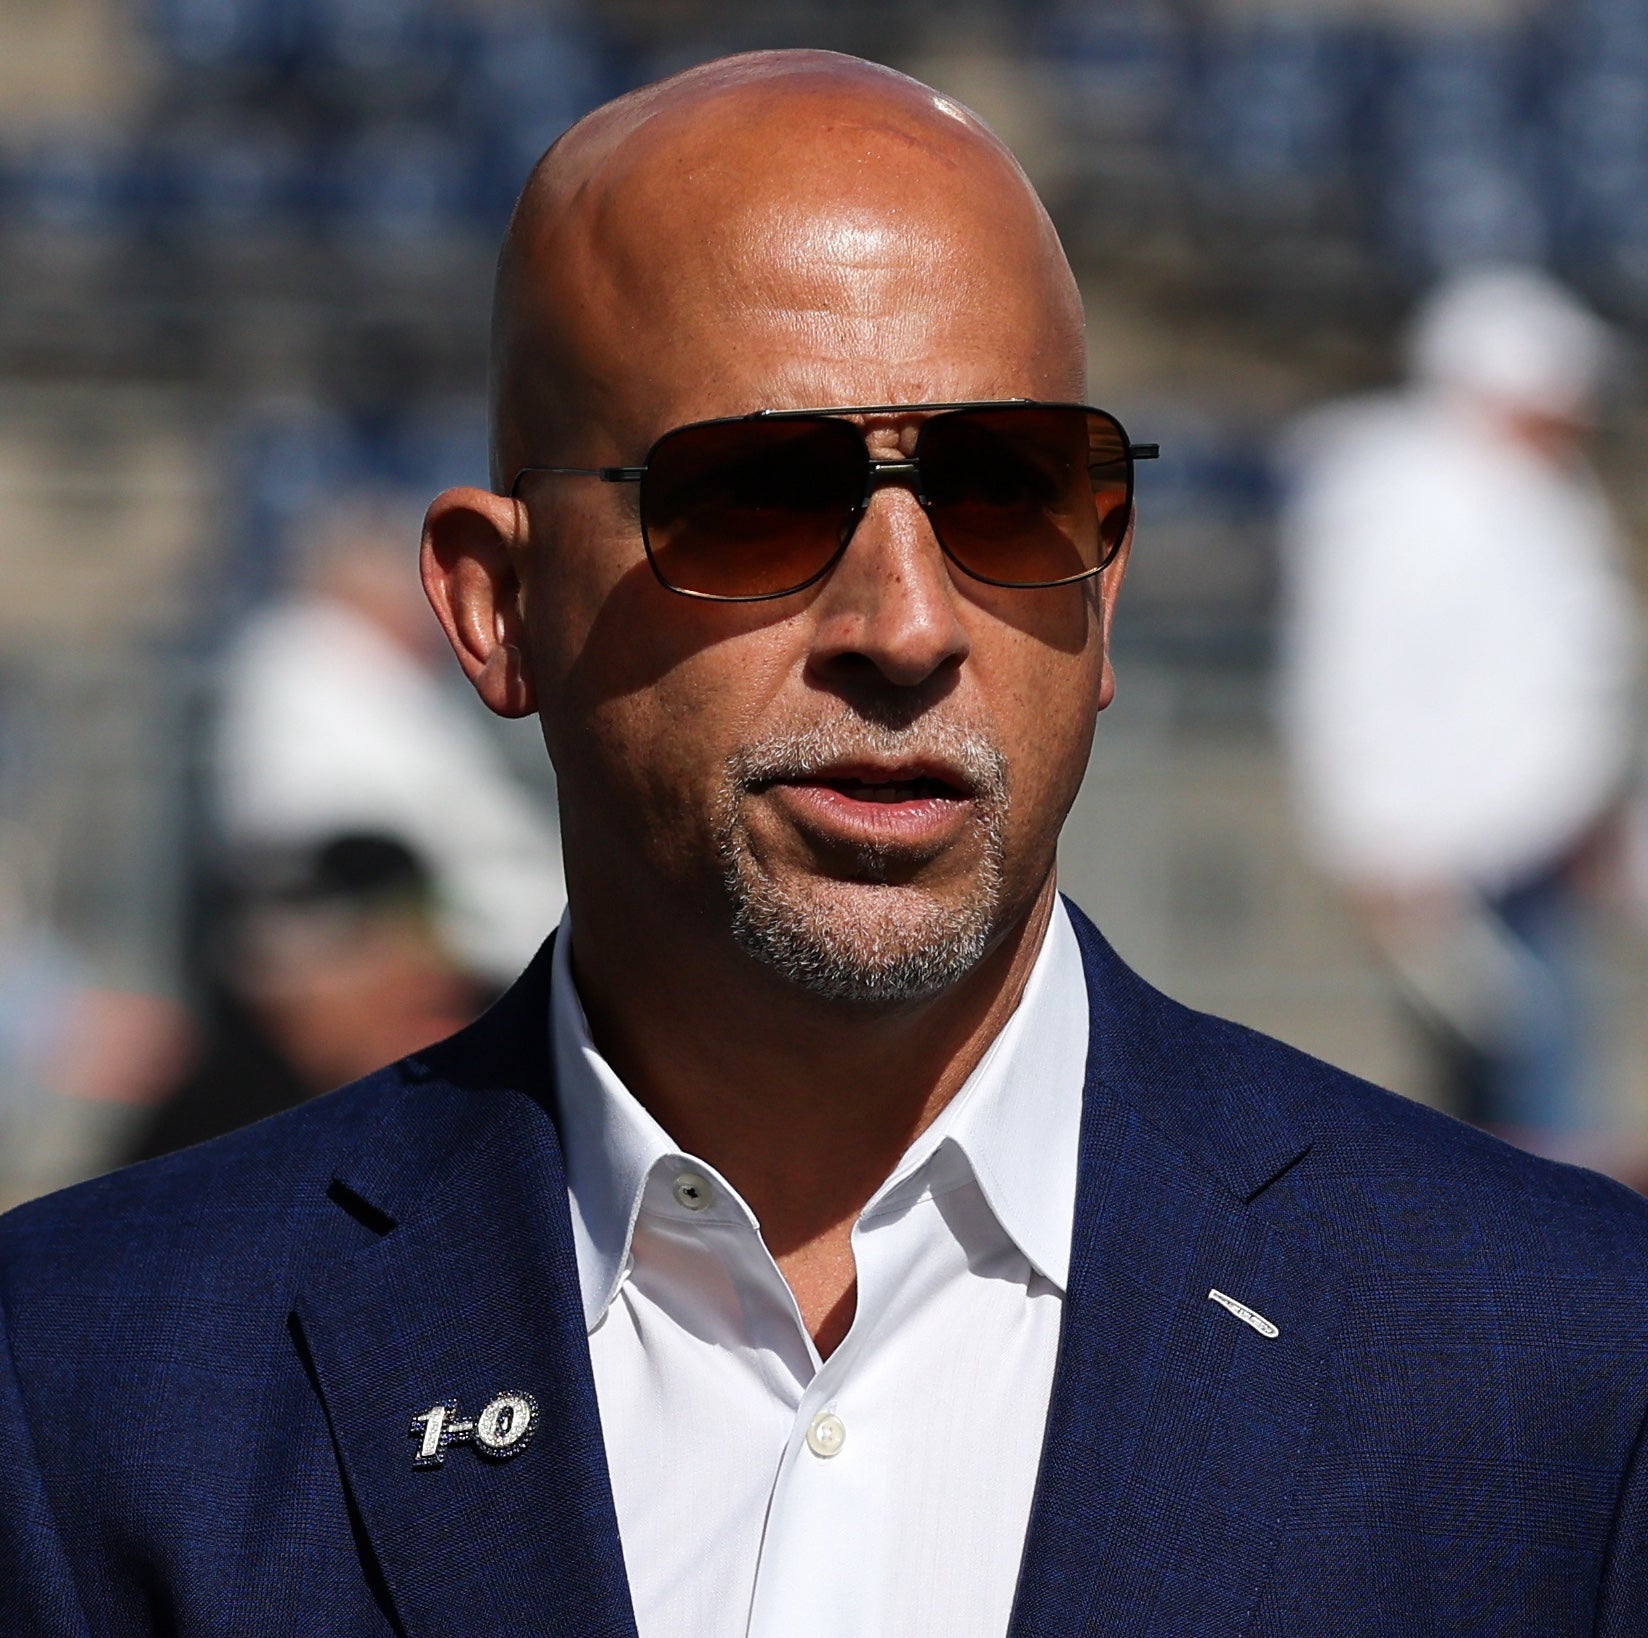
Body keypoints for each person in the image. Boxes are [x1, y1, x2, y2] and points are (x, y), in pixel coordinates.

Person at [3, 53, 1647, 1638]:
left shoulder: (1562, 1362)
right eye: (754, 500)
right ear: (497, 606)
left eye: (1007, 490)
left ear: (1105, 577)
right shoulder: (95, 1379)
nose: (907, 622)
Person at [1277, 267, 1642, 1148]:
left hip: (1535, 847)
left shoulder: (1532, 495)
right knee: (1531, 1114)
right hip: (1459, 859)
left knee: (1508, 1103)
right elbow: (1357, 680)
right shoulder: (1412, 503)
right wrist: (1379, 839)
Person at [214, 490, 566, 987]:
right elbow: (321, 810)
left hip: (445, 891)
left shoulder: (390, 675)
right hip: (374, 903)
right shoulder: (311, 661)